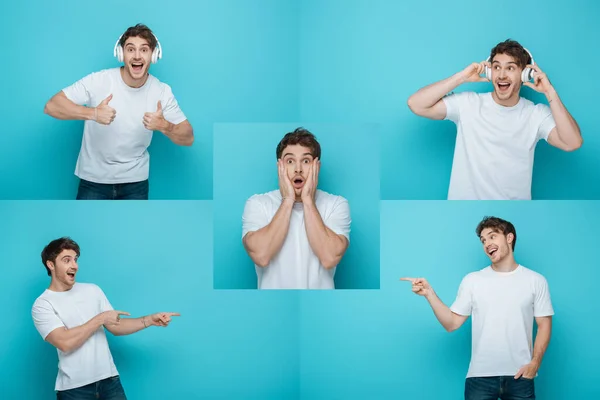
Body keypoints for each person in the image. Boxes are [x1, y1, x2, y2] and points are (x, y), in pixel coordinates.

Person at [407, 39, 582, 200]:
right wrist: (462, 77)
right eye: (496, 67)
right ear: (490, 72)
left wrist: (550, 92)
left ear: (525, 74)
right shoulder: (467, 103)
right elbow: (416, 104)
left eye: (510, 68)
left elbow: (572, 142)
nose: (502, 75)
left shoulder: (536, 114)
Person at [401, 217, 553, 400]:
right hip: (479, 379)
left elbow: (544, 325)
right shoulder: (472, 280)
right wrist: (429, 294)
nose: (487, 243)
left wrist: (535, 364)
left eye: (492, 236)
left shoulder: (536, 281)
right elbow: (451, 324)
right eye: (483, 240)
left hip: (520, 377)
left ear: (509, 238)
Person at [44, 24, 193, 200]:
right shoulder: (99, 80)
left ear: (153, 55)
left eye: (144, 50)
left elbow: (188, 137)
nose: (137, 56)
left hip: (136, 184)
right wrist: (93, 114)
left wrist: (165, 126)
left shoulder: (161, 91)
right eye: (131, 49)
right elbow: (52, 106)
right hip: (93, 181)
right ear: (121, 54)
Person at [32, 237, 180, 399]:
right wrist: (100, 318)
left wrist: (149, 320)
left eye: (75, 260)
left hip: (110, 382)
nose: (74, 265)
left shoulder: (92, 290)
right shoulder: (43, 304)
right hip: (74, 390)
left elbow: (115, 326)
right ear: (51, 265)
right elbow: (65, 342)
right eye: (66, 260)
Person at [242, 128, 351, 289]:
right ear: (280, 166)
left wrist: (307, 200)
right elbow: (261, 255)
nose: (298, 169)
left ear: (317, 166)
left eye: (306, 161)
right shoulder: (258, 203)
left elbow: (329, 258)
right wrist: (288, 200)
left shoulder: (336, 204)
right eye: (290, 161)